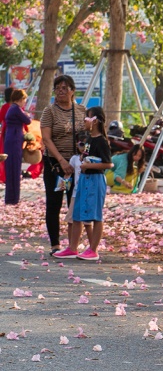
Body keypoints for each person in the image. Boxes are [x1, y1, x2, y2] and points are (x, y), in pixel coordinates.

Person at [39, 75, 86, 252]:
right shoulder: (49, 111)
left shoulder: (81, 110)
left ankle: (73, 244)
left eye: (64, 88)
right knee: (54, 203)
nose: (60, 91)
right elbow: (46, 139)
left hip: (77, 165)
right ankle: (55, 244)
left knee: (74, 203)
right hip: (55, 164)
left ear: (73, 91)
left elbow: (87, 136)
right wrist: (62, 161)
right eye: (57, 87)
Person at [60, 108, 112, 261]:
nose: (84, 121)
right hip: (84, 180)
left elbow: (108, 164)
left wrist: (88, 166)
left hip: (95, 181)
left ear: (95, 121)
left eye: (87, 118)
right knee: (77, 214)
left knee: (95, 215)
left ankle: (93, 250)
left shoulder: (102, 141)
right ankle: (72, 247)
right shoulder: (89, 139)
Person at [2, 87, 32, 205]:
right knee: (14, 168)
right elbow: (28, 120)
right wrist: (27, 114)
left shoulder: (12, 108)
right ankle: (13, 198)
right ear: (20, 99)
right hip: (14, 140)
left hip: (11, 139)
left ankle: (11, 197)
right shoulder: (16, 109)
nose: (25, 102)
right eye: (24, 99)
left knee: (12, 169)